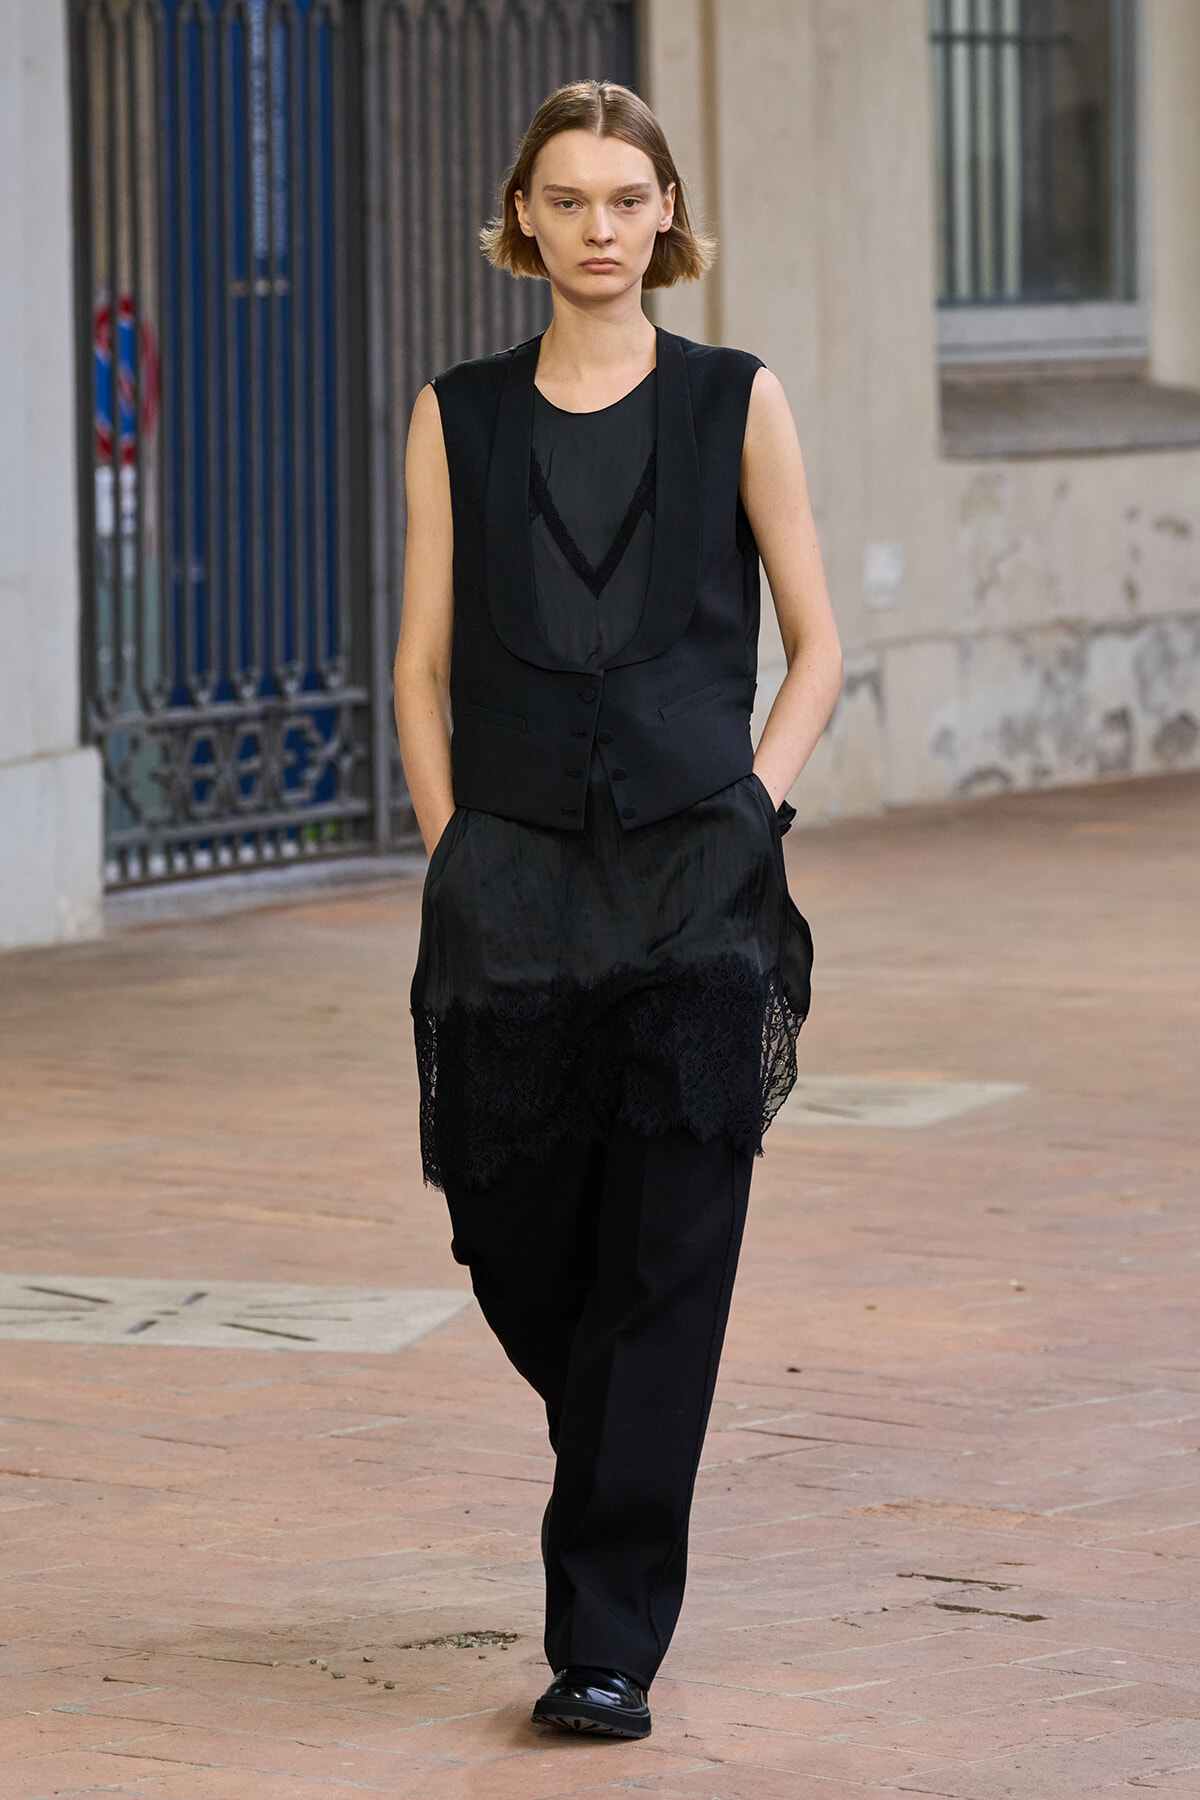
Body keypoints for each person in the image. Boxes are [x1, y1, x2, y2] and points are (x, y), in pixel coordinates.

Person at [394, 80, 842, 1740]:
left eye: (626, 198)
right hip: (507, 887)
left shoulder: (738, 400)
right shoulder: (457, 412)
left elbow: (818, 641)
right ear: (527, 221)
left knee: (668, 1257)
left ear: (667, 218)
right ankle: (620, 1438)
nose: (598, 228)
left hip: (696, 890)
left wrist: (754, 806)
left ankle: (605, 1643)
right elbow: (420, 667)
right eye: (568, 200)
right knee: (513, 1235)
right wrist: (453, 848)